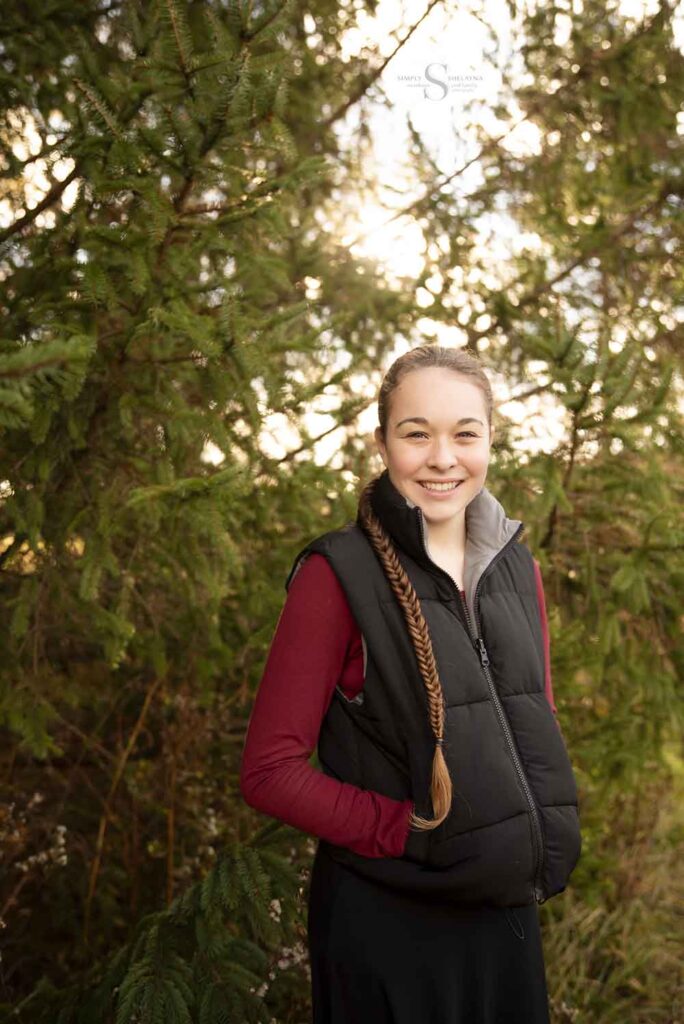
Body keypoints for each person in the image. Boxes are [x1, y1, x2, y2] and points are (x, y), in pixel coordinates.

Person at [240, 345, 582, 1023]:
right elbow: (269, 771)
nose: (442, 458)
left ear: (491, 439)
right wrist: (407, 832)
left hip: (502, 917)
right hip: (389, 924)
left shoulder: (518, 569)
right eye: (416, 433)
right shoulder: (337, 575)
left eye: (465, 433)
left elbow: (528, 716)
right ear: (382, 443)